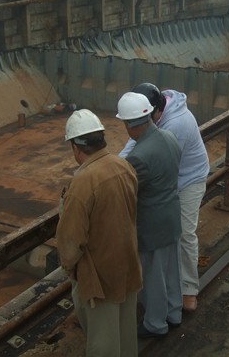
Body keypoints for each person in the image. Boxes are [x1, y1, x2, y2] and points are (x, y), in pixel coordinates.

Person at [56, 109, 142, 357]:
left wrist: (71, 268)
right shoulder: (123, 166)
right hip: (128, 262)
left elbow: (71, 242)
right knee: (126, 332)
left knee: (103, 341)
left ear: (75, 147)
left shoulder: (82, 183)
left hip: (100, 275)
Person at [120, 83, 210, 312]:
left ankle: (189, 290)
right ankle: (169, 291)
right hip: (171, 178)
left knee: (184, 233)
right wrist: (116, 166)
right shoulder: (154, 115)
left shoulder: (177, 124)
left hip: (189, 179)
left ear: (156, 112)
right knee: (169, 236)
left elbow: (163, 166)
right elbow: (136, 140)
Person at [116, 91, 182, 338]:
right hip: (171, 216)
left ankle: (156, 323)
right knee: (172, 271)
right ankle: (174, 313)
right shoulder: (169, 137)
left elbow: (129, 193)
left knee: (153, 277)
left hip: (152, 225)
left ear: (130, 124)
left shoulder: (138, 157)